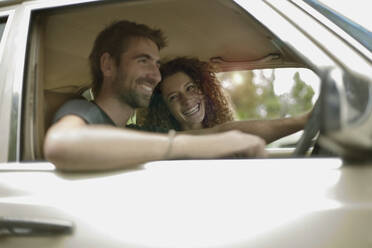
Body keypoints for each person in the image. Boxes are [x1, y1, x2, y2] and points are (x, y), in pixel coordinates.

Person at [43, 20, 267, 171]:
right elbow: (60, 143)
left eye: (156, 64)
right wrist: (184, 147)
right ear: (108, 65)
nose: (156, 76)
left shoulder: (133, 132)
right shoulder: (83, 112)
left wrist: (297, 121)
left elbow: (218, 132)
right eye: (143, 61)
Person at [139, 57, 310, 144]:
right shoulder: (162, 141)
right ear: (165, 108)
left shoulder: (222, 132)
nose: (186, 100)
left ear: (203, 90)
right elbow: (224, 134)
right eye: (173, 97)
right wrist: (303, 120)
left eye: (190, 88)